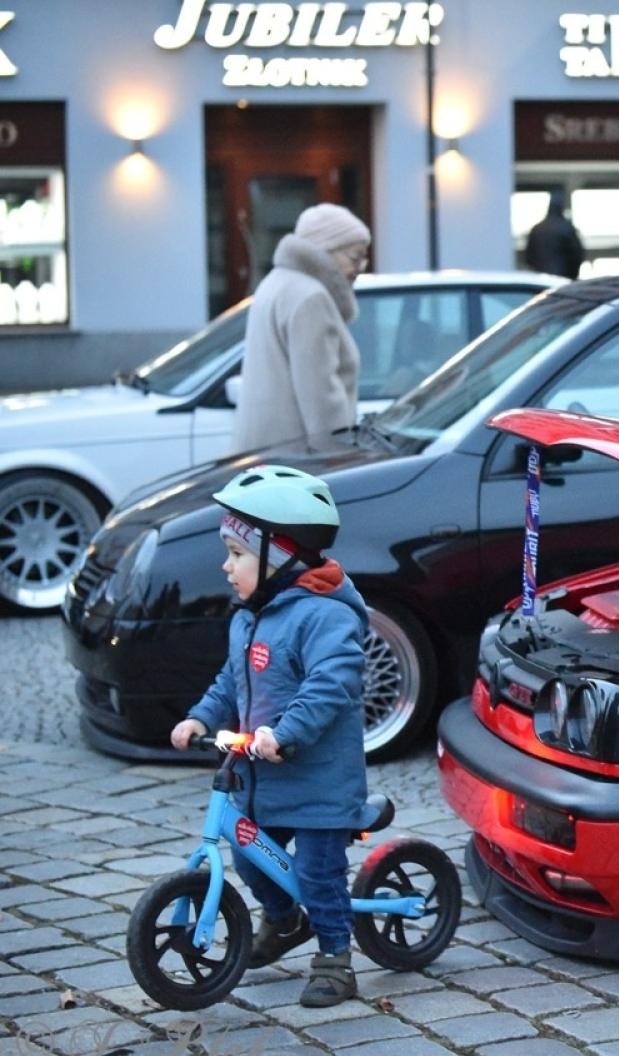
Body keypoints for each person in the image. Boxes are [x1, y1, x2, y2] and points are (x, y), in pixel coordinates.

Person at [169, 464, 368, 1009]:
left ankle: (335, 957)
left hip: (320, 782)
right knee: (250, 854)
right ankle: (284, 921)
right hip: (263, 778)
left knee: (318, 873)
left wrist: (284, 733)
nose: (226, 566)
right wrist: (201, 718)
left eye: (237, 553)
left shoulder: (325, 617)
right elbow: (231, 682)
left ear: (279, 555)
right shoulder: (249, 617)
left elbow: (331, 684)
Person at [233, 203, 371, 454]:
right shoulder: (311, 298)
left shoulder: (275, 283)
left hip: (265, 453)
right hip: (300, 460)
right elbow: (322, 398)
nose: (361, 267)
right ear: (325, 250)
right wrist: (341, 453)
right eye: (355, 257)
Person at [522, 190, 586, 278]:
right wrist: (573, 274)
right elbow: (577, 255)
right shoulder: (566, 228)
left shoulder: (537, 229)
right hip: (563, 276)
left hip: (540, 277)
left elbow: (528, 257)